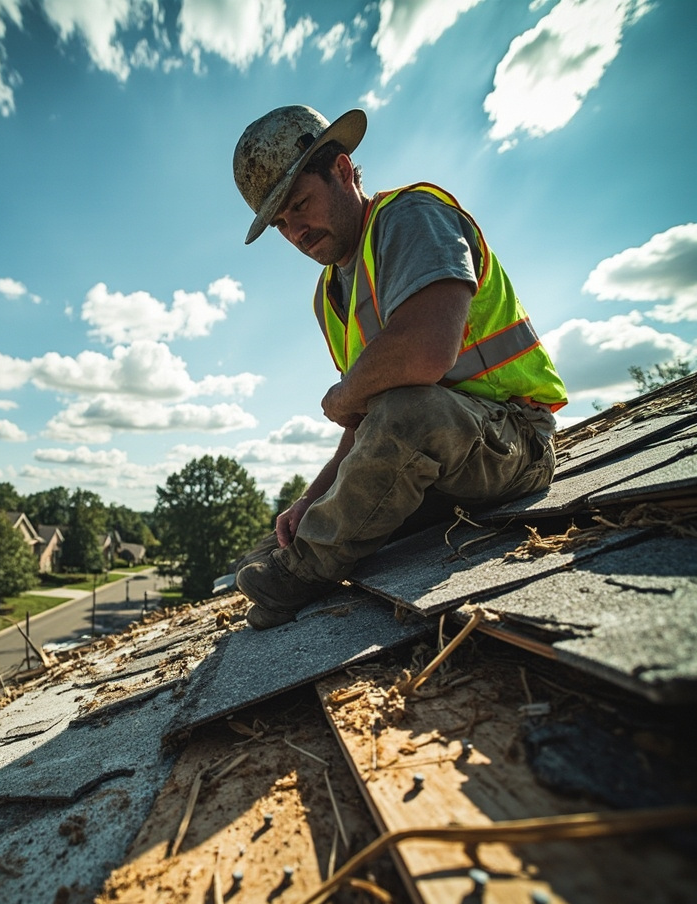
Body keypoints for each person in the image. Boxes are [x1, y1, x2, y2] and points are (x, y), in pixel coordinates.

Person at [231, 105, 567, 630]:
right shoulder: (329, 296)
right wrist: (311, 499)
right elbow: (369, 422)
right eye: (280, 223)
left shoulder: (411, 218)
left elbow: (425, 355)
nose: (294, 230)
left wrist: (343, 394)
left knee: (410, 411)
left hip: (515, 441)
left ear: (342, 171)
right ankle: (304, 544)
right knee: (313, 511)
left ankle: (307, 569)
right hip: (446, 459)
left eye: (299, 204)